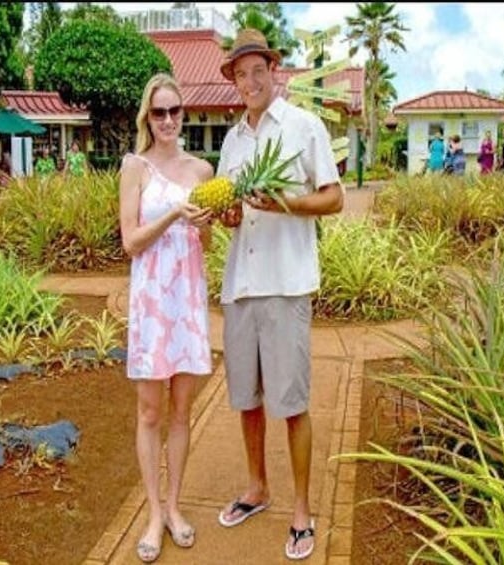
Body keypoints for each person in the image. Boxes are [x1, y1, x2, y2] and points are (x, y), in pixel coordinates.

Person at [215, 28, 344, 561]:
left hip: (287, 284)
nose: (250, 81)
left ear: (274, 71)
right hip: (240, 285)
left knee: (291, 403)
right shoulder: (232, 141)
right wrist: (226, 215)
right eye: (241, 74)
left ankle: (301, 510)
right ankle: (256, 488)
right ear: (235, 79)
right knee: (246, 399)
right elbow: (230, 212)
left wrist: (285, 203)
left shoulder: (303, 127)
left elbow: (334, 198)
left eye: (257, 70)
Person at [118, 73, 214, 563]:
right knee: (150, 412)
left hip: (187, 301)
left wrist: (206, 225)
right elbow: (130, 241)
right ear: (147, 117)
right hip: (153, 303)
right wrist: (176, 215)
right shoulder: (134, 166)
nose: (169, 119)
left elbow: (208, 243)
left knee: (182, 411)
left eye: (175, 110)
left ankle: (174, 507)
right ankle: (153, 513)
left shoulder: (202, 170)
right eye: (159, 112)